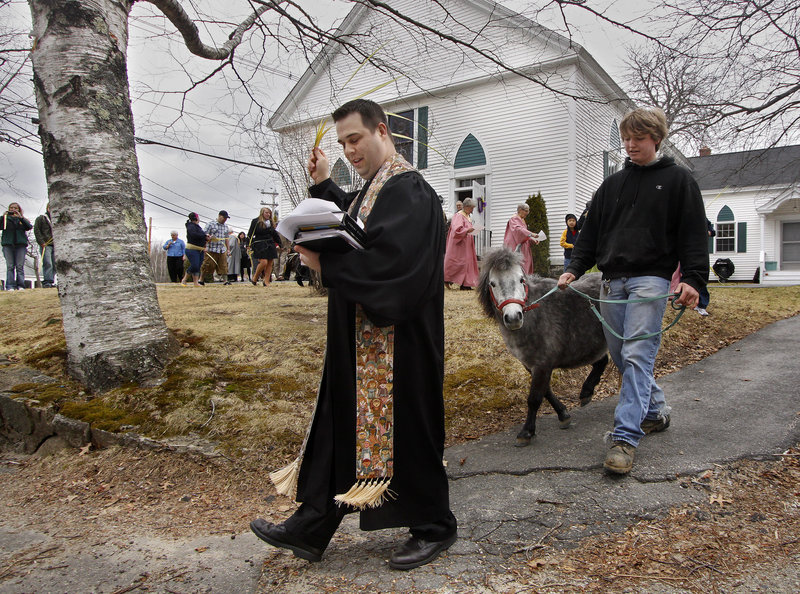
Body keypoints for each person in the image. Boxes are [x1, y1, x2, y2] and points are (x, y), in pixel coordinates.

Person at [250, 98, 457, 570]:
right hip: (363, 337)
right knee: (343, 421)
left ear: (381, 130)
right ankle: (314, 520)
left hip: (400, 343)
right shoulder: (377, 188)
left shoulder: (411, 190)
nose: (349, 151)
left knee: (410, 429)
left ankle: (435, 525)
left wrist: (325, 262)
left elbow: (391, 264)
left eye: (355, 139)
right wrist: (323, 183)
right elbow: (359, 226)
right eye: (342, 143)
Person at [557, 107, 708, 475]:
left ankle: (625, 438)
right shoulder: (611, 185)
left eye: (638, 139)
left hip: (651, 281)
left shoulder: (678, 181)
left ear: (656, 139)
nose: (630, 145)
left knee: (639, 354)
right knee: (621, 355)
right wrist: (574, 269)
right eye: (626, 139)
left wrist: (694, 279)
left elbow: (692, 234)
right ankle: (654, 411)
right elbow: (590, 233)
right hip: (612, 280)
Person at [444, 197, 479, 289]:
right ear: (466, 207)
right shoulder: (459, 215)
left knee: (467, 263)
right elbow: (457, 229)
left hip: (466, 244)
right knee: (458, 263)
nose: (472, 210)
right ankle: (447, 279)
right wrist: (468, 230)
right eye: (471, 208)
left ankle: (466, 284)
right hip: (459, 245)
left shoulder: (467, 216)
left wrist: (472, 230)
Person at [1, 202, 32, 291]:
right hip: (8, 245)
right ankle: (10, 285)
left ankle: (21, 285)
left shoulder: (22, 220)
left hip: (20, 245)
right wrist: (3, 216)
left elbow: (29, 227)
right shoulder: (5, 219)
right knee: (10, 266)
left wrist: (20, 218)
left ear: (19, 210)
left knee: (19, 266)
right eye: (11, 208)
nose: (13, 209)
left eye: (15, 208)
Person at [247, 207, 281, 287]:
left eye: (269, 213)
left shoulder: (271, 222)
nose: (268, 214)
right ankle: (255, 277)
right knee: (263, 262)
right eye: (266, 213)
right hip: (260, 244)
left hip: (270, 243)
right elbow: (250, 233)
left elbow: (274, 234)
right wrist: (248, 244)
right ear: (262, 213)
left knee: (270, 263)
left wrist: (280, 243)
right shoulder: (256, 221)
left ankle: (266, 281)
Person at [503, 203, 540, 275]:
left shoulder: (521, 219)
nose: (527, 213)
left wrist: (533, 240)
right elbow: (518, 230)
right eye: (526, 211)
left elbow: (524, 234)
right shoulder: (514, 218)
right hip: (515, 245)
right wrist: (531, 234)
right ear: (520, 210)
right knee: (518, 264)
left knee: (524, 263)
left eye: (528, 211)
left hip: (522, 245)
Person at [201, 210, 232, 284]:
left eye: (226, 218)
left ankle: (225, 280)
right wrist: (204, 246)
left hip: (222, 249)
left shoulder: (225, 227)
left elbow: (226, 239)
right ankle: (201, 279)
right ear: (219, 216)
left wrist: (228, 249)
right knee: (207, 265)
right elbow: (204, 235)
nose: (225, 219)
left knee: (224, 265)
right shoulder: (210, 224)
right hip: (211, 249)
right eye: (224, 217)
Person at [181, 213, 207, 287]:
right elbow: (194, 235)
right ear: (196, 218)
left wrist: (206, 238)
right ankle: (184, 279)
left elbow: (201, 236)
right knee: (195, 265)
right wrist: (204, 235)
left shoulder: (198, 227)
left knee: (198, 266)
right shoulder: (190, 226)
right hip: (192, 249)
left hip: (200, 249)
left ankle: (196, 282)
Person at [33, 203, 56, 288]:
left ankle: (52, 280)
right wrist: (41, 242)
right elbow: (37, 231)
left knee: (54, 264)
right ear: (47, 208)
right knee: (48, 263)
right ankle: (47, 282)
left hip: (55, 245)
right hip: (46, 244)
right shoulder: (41, 218)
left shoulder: (57, 219)